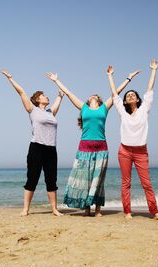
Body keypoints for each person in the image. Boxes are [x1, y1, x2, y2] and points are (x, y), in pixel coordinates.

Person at [46, 69, 139, 216]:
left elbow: (117, 92)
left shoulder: (104, 108)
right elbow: (69, 93)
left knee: (98, 180)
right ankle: (87, 208)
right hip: (84, 147)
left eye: (95, 95)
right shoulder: (83, 107)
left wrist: (128, 78)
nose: (93, 95)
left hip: (101, 148)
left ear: (99, 100)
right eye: (91, 95)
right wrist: (56, 80)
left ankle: (97, 209)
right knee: (85, 180)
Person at [107, 60, 158, 220]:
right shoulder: (123, 112)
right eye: (128, 95)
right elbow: (114, 95)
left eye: (133, 94)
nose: (130, 95)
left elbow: (149, 89)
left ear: (138, 99)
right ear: (125, 101)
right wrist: (110, 76)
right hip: (124, 151)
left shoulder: (144, 109)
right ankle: (127, 212)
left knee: (146, 183)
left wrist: (154, 70)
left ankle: (155, 212)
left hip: (141, 152)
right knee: (126, 183)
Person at [1, 69, 64, 216]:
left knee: (51, 179)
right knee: (32, 178)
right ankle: (25, 209)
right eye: (43, 95)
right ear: (37, 100)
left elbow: (61, 96)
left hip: (51, 149)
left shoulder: (50, 112)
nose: (46, 96)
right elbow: (22, 92)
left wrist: (57, 84)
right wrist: (11, 78)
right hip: (36, 148)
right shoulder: (32, 109)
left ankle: (54, 209)